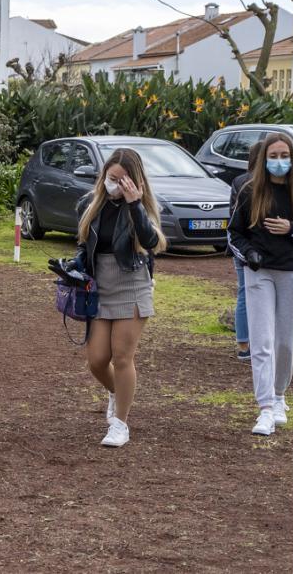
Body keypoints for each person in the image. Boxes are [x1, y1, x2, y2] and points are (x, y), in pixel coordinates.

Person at [71, 148, 167, 448]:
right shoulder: (91, 203)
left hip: (132, 283)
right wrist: (74, 264)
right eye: (111, 178)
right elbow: (85, 243)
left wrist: (134, 203)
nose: (115, 185)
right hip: (100, 284)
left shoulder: (143, 207)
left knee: (122, 356)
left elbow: (151, 241)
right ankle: (116, 391)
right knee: (97, 361)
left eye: (122, 180)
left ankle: (120, 424)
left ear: (134, 181)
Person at [227, 133, 293, 436]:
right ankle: (265, 407)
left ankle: (279, 395)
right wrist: (249, 254)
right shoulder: (249, 190)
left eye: (284, 155)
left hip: (292, 271)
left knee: (285, 341)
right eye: (273, 156)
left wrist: (291, 228)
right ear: (263, 158)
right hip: (259, 272)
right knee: (262, 340)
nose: (279, 161)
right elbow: (234, 232)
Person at [228, 141, 263, 362]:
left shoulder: (239, 181)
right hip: (249, 247)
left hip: (242, 246)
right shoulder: (245, 183)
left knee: (244, 293)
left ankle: (244, 344)